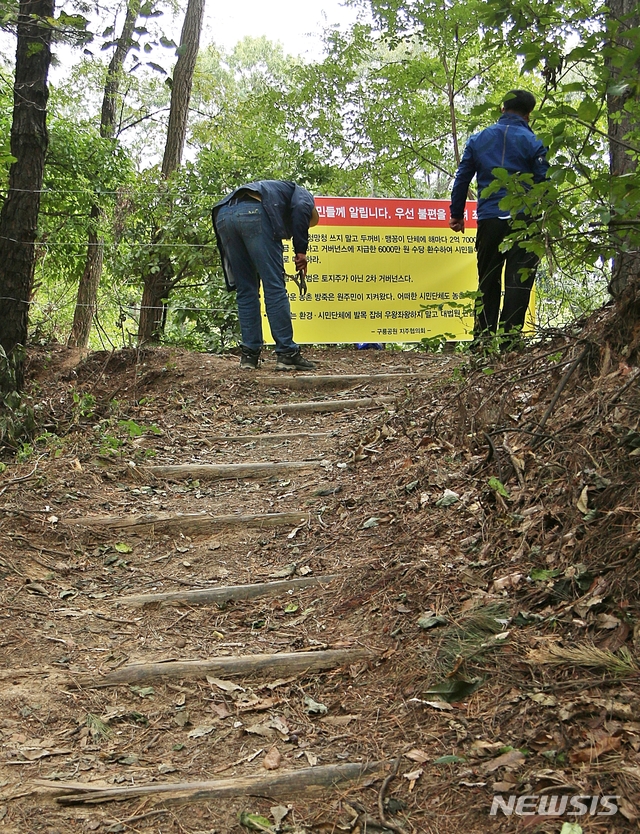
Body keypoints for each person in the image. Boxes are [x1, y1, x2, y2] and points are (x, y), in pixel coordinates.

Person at [449, 90, 549, 346]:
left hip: (490, 219)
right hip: (524, 221)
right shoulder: (534, 142)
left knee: (488, 279)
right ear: (528, 115)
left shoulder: (478, 139)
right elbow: (543, 185)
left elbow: (462, 179)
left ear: (502, 109)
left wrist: (457, 215)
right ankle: (508, 343)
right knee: (518, 282)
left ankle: (482, 341)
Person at [212, 180, 319, 370]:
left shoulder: (276, 192)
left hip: (223, 215)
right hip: (254, 213)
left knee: (246, 290)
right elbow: (301, 209)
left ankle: (249, 357)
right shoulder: (303, 195)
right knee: (274, 287)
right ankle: (287, 353)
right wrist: (301, 251)